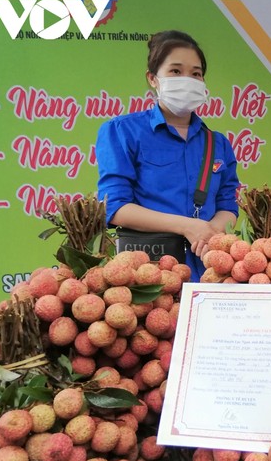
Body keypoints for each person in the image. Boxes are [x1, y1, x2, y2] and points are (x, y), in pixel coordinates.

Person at [96, 30, 239, 281]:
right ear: (153, 78)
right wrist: (186, 226)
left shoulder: (218, 143)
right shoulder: (121, 131)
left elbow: (228, 205)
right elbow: (115, 208)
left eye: (196, 74)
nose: (188, 79)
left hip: (209, 271)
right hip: (147, 273)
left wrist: (212, 231)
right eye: (175, 71)